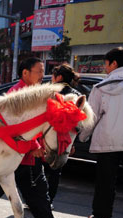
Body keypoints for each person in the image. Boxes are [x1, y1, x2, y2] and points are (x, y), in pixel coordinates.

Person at [0, 57, 76, 218]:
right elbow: (15, 128)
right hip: (18, 152)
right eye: (39, 71)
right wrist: (34, 146)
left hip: (23, 153)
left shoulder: (36, 93)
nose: (43, 75)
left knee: (8, 187)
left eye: (43, 71)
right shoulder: (16, 94)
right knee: (34, 190)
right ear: (25, 73)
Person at [79, 47, 123, 218]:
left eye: (106, 64)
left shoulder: (100, 88)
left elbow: (92, 117)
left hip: (107, 140)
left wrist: (83, 137)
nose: (105, 67)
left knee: (106, 182)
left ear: (113, 64)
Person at [45, 64, 82, 208]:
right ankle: (49, 201)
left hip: (48, 137)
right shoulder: (77, 95)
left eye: (53, 76)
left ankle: (37, 200)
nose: (52, 79)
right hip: (64, 140)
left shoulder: (52, 92)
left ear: (59, 77)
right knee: (55, 171)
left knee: (40, 170)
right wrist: (72, 144)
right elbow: (78, 124)